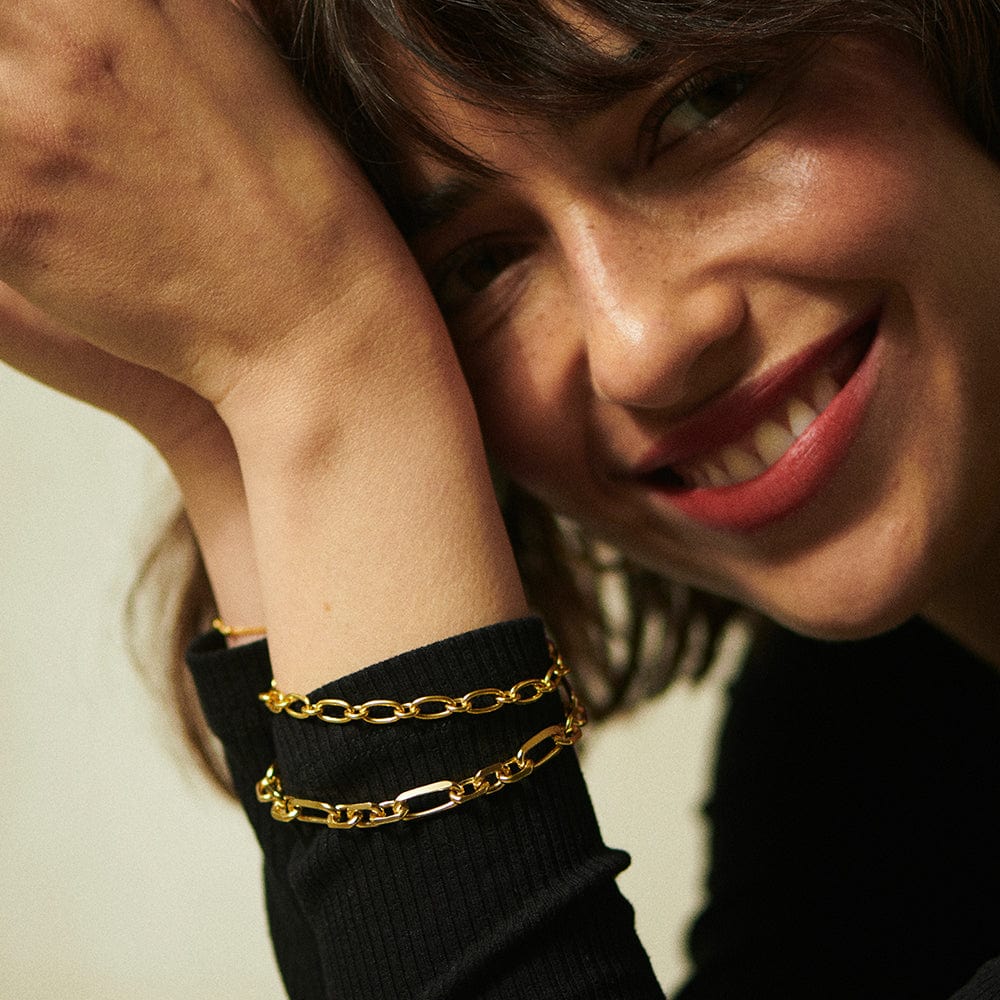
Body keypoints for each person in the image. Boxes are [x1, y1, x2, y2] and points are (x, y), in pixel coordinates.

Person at [2, 0, 1000, 997]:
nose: (639, 345)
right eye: (480, 266)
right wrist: (224, 416)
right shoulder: (863, 736)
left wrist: (325, 373)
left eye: (705, 103)